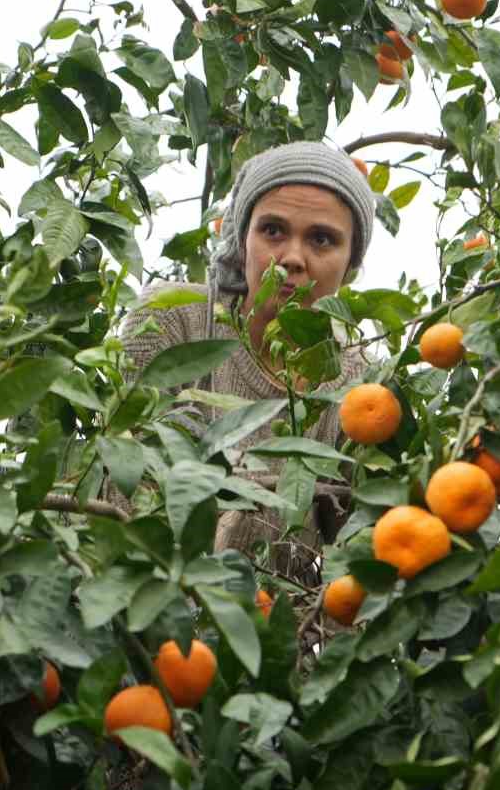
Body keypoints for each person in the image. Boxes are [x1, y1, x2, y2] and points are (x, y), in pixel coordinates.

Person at [120, 141, 378, 584]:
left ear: (350, 264)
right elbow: (131, 491)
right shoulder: (173, 321)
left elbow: (352, 565)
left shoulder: (361, 388)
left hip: (266, 633)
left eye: (322, 239)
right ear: (243, 239)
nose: (293, 258)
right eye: (273, 231)